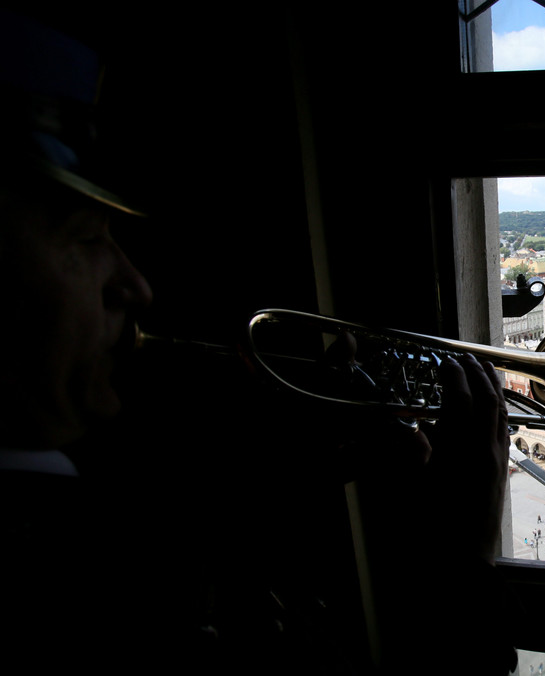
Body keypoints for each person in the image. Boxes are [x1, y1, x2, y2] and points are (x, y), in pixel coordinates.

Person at [0, 10, 515, 674]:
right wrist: (463, 562)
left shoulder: (89, 530)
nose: (136, 286)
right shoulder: (65, 587)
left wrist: (275, 493)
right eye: (84, 236)